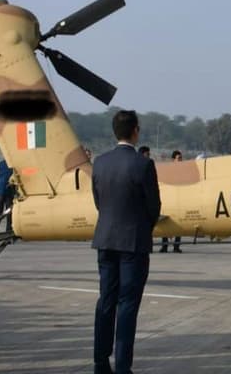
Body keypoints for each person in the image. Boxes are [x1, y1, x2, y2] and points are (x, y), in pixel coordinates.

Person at [91, 110, 160, 374]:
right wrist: (142, 228)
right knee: (128, 304)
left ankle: (100, 362)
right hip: (133, 242)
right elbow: (153, 207)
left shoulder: (100, 162)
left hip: (106, 239)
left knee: (106, 301)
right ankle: (122, 366)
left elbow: (98, 201)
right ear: (135, 131)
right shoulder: (143, 164)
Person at [159, 151, 183, 254]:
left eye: (181, 158)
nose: (180, 160)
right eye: (178, 158)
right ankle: (164, 246)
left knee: (180, 222)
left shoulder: (183, 171)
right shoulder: (169, 171)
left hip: (180, 200)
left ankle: (176, 246)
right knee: (165, 222)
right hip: (169, 199)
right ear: (173, 159)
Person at [0, 159, 16, 234]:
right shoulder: (0, 165)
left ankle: (8, 232)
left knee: (10, 214)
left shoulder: (15, 165)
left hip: (10, 194)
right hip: (0, 193)